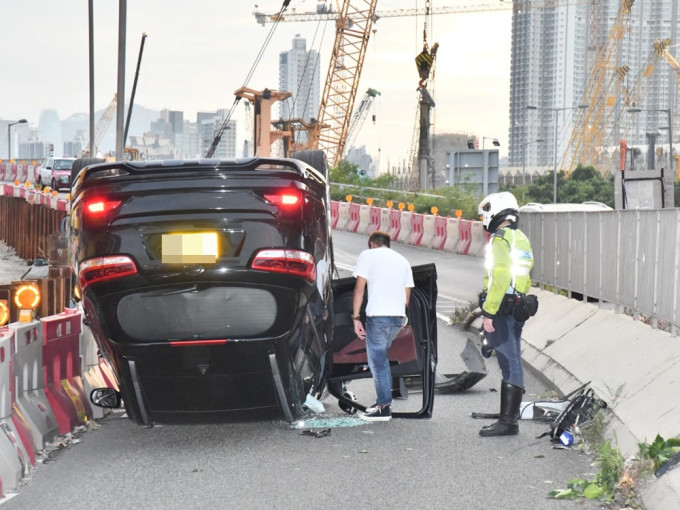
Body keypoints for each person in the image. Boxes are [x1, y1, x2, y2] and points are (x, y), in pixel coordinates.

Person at [477, 191, 534, 437]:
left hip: (502, 306)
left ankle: (508, 421)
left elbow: (500, 276)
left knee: (508, 361)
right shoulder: (520, 237)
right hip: (517, 305)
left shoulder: (500, 239)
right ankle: (508, 414)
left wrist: (488, 311)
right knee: (513, 359)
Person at [352, 230, 414, 422]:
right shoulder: (403, 261)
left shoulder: (367, 255)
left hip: (378, 317)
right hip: (397, 319)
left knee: (377, 363)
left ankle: (384, 408)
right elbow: (406, 297)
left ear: (372, 244)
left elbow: (359, 289)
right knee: (382, 360)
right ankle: (383, 403)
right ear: (388, 244)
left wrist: (355, 317)